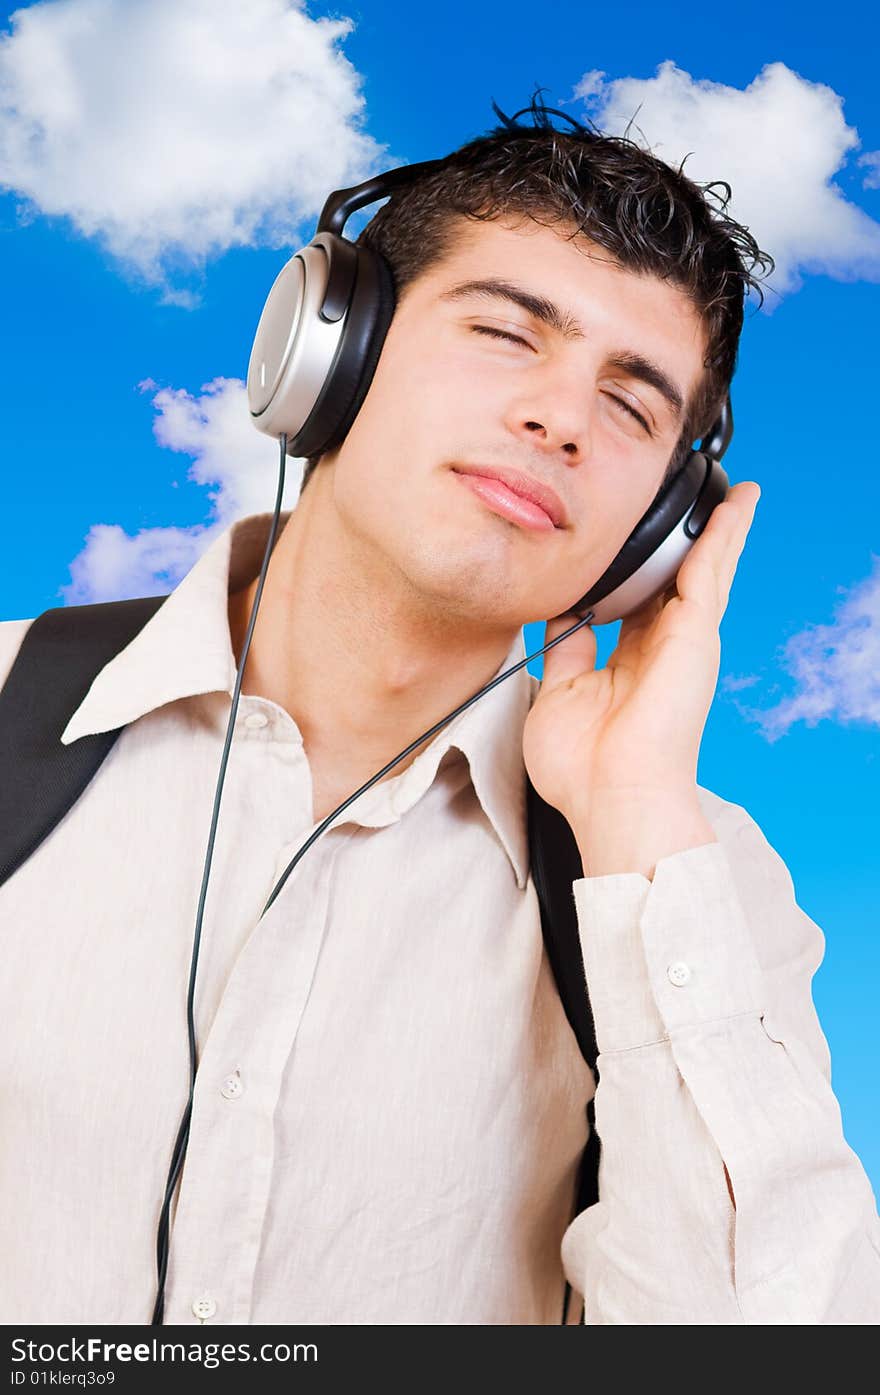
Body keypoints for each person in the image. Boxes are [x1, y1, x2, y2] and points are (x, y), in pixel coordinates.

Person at [1, 99, 878, 1327]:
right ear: (327, 350)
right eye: (505, 335)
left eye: (631, 406)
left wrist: (629, 822)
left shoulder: (692, 883)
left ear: (659, 526)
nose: (561, 419)